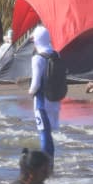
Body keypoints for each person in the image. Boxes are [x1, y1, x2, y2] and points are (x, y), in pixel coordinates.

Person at [29, 26, 64, 160]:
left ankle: (46, 165)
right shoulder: (56, 54)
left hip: (42, 102)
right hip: (55, 100)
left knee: (44, 134)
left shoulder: (37, 58)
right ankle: (50, 163)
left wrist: (30, 92)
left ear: (37, 40)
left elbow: (35, 84)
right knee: (49, 135)